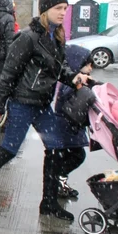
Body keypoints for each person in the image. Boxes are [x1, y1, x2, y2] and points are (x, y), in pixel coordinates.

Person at [0, 0, 90, 221]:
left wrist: (72, 77)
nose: (63, 13)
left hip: (42, 103)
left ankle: (48, 203)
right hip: (22, 103)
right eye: (58, 9)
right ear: (45, 10)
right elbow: (9, 73)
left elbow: (56, 68)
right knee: (8, 150)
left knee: (56, 148)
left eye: (65, 9)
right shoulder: (28, 37)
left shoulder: (57, 36)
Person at [46, 45, 94, 199]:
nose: (90, 69)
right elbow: (74, 100)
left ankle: (59, 182)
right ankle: (58, 182)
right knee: (75, 156)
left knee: (70, 157)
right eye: (88, 65)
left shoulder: (74, 81)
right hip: (66, 127)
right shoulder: (71, 84)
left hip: (68, 127)